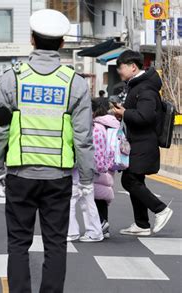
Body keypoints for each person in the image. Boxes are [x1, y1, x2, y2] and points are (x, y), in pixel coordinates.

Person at [0, 9, 95, 293]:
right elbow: (83, 138)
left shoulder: (12, 78)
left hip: (20, 175)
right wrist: (85, 178)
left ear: (32, 40)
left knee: (18, 243)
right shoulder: (75, 82)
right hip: (57, 177)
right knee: (56, 243)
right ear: (61, 44)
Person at [113, 50, 173, 236]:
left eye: (121, 67)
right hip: (138, 142)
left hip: (143, 143)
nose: (119, 72)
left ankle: (161, 209)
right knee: (134, 179)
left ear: (132, 67)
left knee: (130, 179)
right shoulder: (137, 86)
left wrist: (124, 113)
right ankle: (142, 224)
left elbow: (145, 116)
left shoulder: (145, 88)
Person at [68, 98, 120, 242]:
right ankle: (94, 231)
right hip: (91, 168)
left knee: (71, 199)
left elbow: (91, 151)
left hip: (83, 168)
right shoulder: (102, 126)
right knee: (86, 199)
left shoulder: (93, 127)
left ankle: (73, 232)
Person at [91, 98, 120, 238]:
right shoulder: (113, 123)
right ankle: (104, 225)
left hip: (99, 163)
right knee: (103, 193)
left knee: (95, 194)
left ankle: (100, 224)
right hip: (111, 163)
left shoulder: (97, 124)